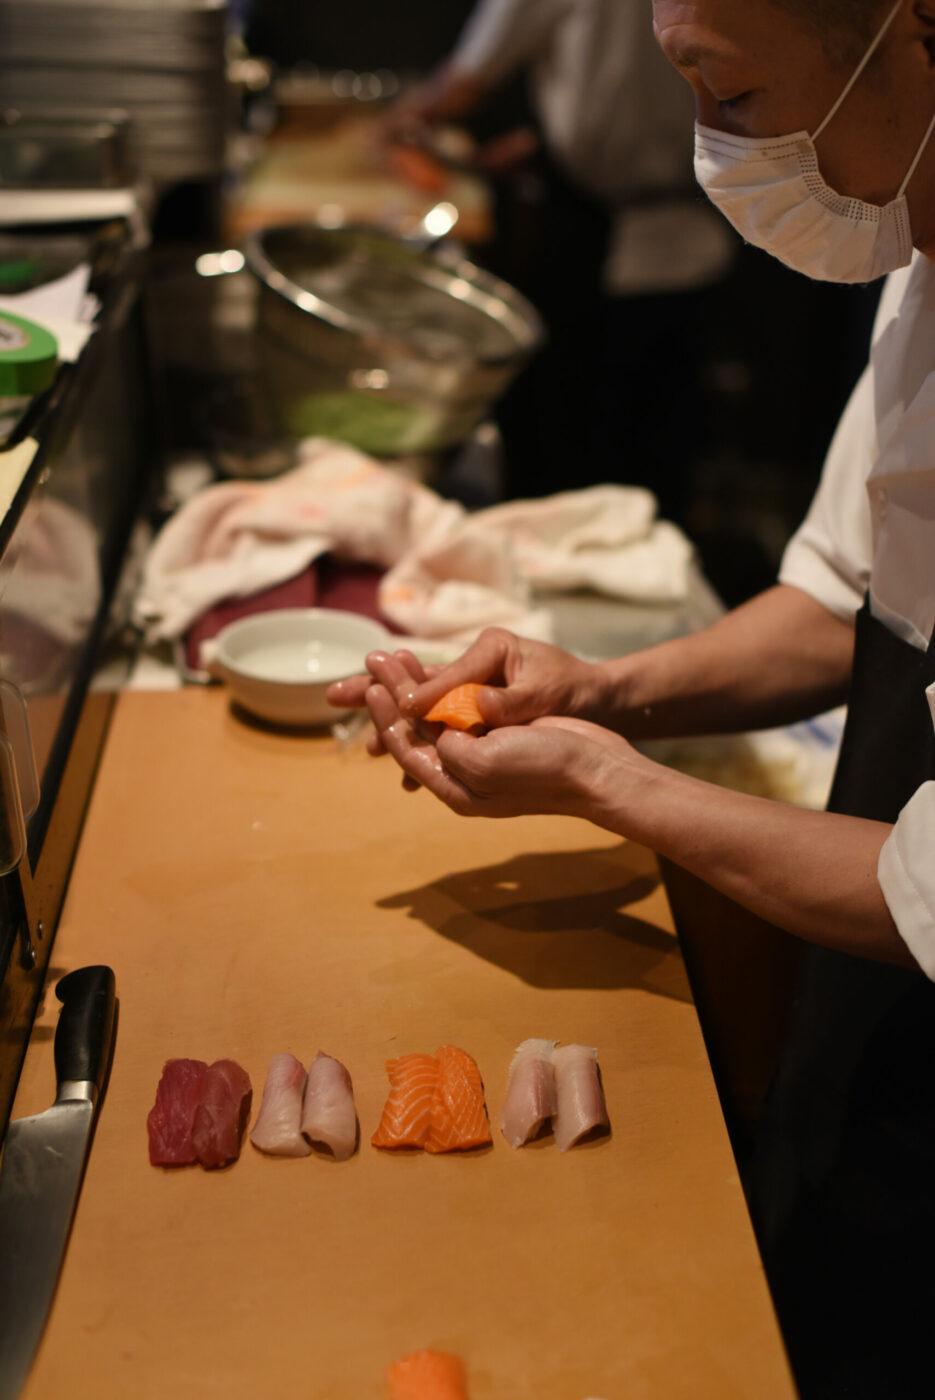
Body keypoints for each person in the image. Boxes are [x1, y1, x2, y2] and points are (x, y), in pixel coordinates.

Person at [330, 1, 935, 1395]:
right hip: (865, 980)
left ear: (907, 37)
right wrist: (605, 693)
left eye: (722, 89)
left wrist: (603, 778)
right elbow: (851, 596)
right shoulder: (914, 244)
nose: (709, 143)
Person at [378, 0, 736, 520]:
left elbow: (467, 80)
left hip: (603, 229)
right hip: (701, 212)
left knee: (580, 451)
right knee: (659, 449)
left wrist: (389, 124)